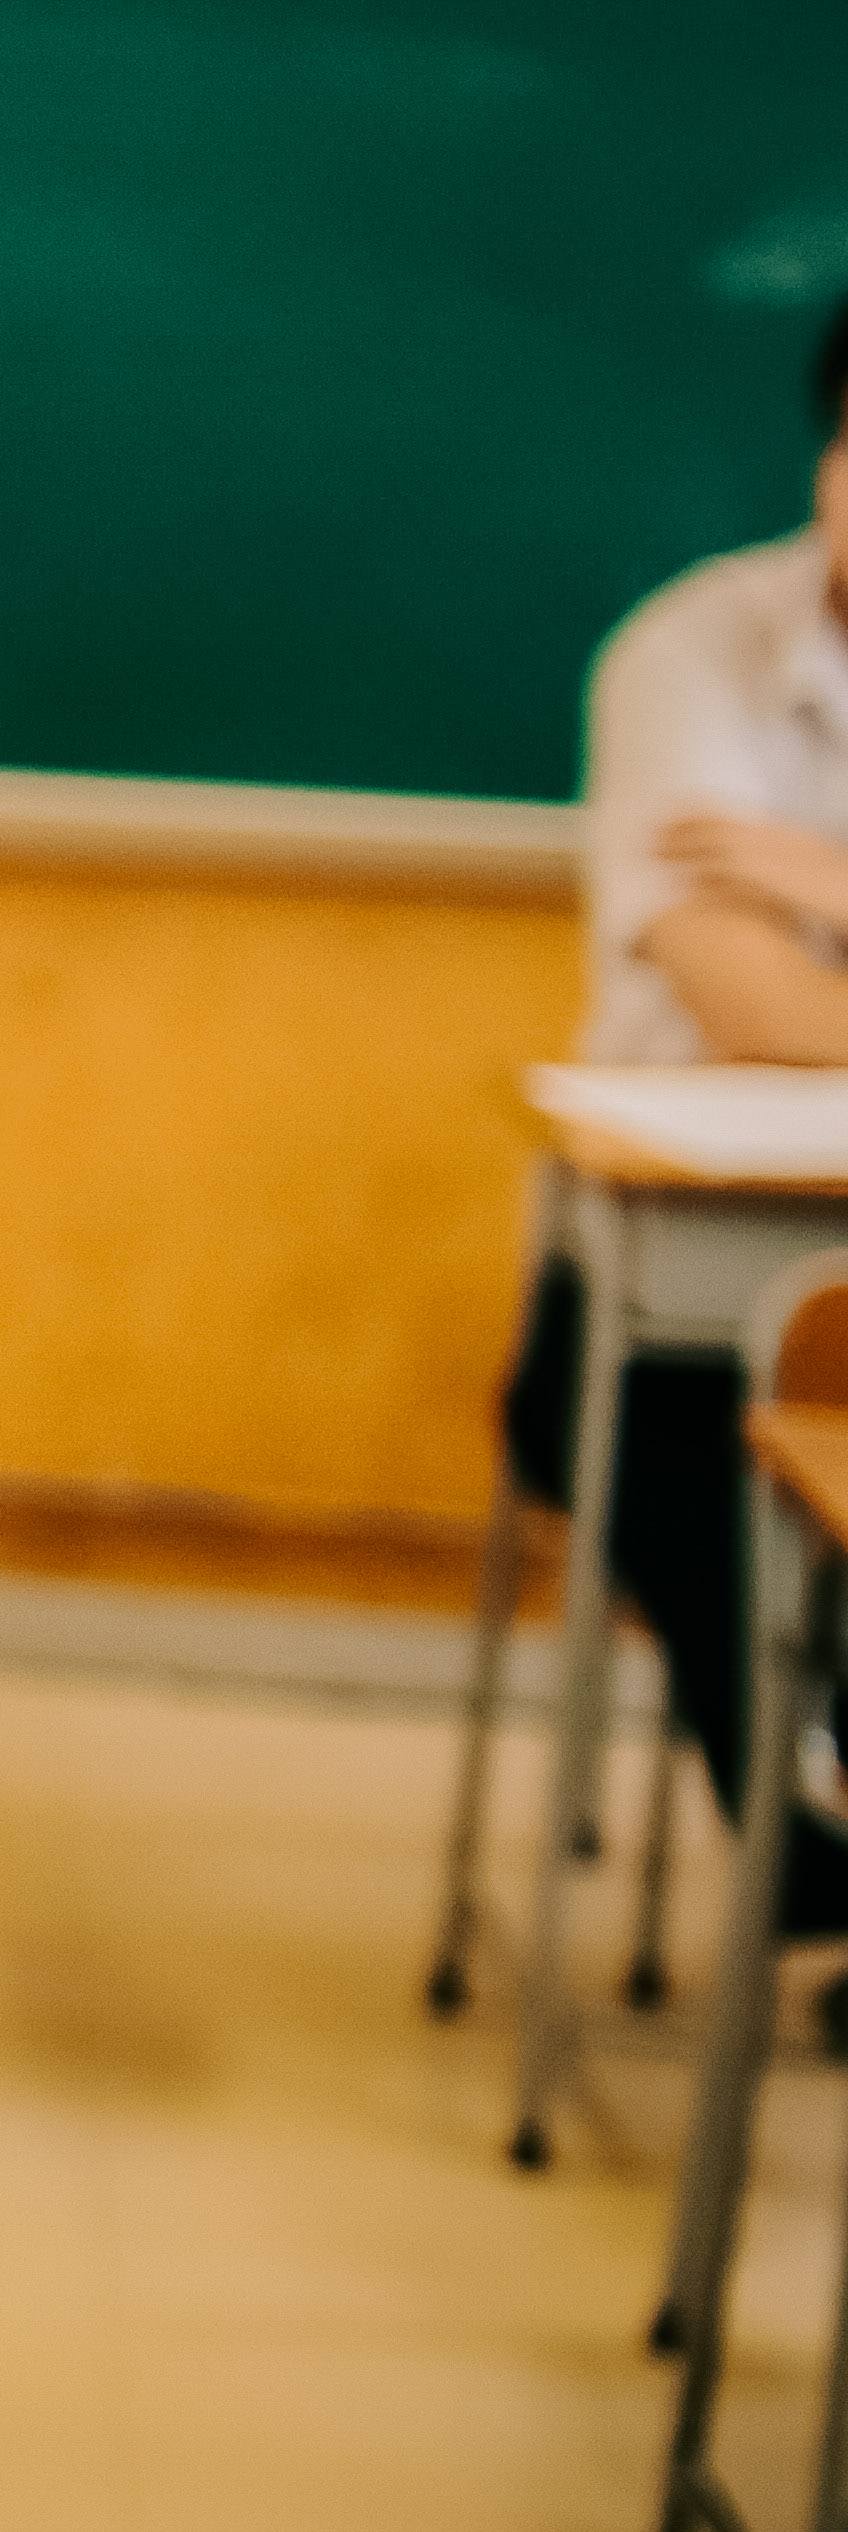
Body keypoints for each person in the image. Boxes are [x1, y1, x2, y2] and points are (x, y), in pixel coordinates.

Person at [506, 301, 848, 1941]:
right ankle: (801, 1825)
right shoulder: (691, 655)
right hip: (657, 1297)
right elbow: (764, 1015)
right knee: (690, 1452)